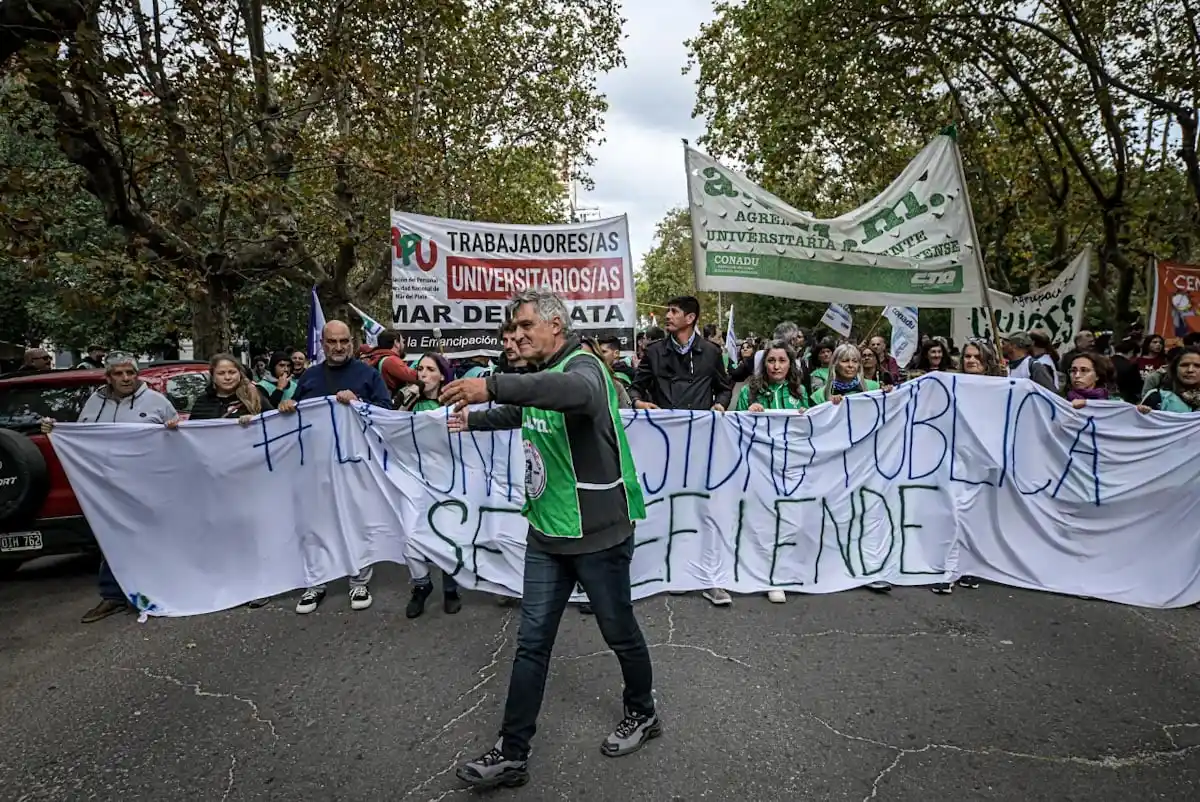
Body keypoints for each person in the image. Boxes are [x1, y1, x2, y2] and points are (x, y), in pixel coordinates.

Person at [439, 290, 656, 788]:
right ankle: (512, 754)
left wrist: (491, 386)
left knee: (619, 632)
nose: (516, 335)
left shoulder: (585, 369)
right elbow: (528, 410)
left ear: (556, 326)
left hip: (598, 536)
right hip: (547, 533)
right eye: (512, 329)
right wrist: (475, 418)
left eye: (525, 325)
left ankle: (643, 712)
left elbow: (568, 396)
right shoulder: (542, 380)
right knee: (531, 643)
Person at [40, 352, 179, 623]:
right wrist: (54, 429)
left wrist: (174, 428)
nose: (126, 378)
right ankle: (113, 596)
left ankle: (158, 592)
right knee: (110, 538)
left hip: (146, 483)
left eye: (130, 373)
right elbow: (81, 436)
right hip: (106, 484)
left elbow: (176, 439)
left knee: (149, 538)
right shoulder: (95, 402)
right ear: (108, 377)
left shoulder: (156, 401)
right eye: (119, 373)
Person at [278, 320, 392, 614]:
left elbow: (386, 412)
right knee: (316, 522)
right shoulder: (311, 377)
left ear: (351, 343)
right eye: (332, 342)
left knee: (356, 520)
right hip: (315, 465)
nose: (338, 347)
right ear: (323, 343)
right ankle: (317, 581)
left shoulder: (367, 375)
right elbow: (297, 414)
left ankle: (359, 579)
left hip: (355, 465)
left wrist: (359, 402)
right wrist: (287, 405)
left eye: (344, 341)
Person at [629, 295, 732, 606]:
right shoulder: (655, 351)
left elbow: (725, 387)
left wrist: (719, 404)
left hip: (700, 444)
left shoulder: (712, 353)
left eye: (673, 312)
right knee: (663, 506)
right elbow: (637, 385)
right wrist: (636, 401)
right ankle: (663, 570)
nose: (667, 316)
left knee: (702, 508)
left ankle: (709, 577)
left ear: (690, 318)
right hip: (663, 444)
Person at [361, 330, 420, 401]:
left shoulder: (376, 357)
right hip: (390, 404)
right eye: (403, 342)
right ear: (396, 343)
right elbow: (414, 376)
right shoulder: (391, 360)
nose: (404, 345)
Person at [1139, 345, 1200, 412]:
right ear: (1175, 369)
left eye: (1197, 366)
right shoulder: (1157, 396)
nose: (1190, 370)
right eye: (1184, 365)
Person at [1110, 338, 1143, 403]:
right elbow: (1137, 388)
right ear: (1132, 352)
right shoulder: (1131, 366)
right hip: (1124, 400)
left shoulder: (1104, 362)